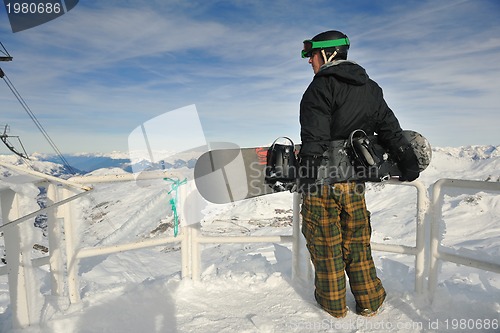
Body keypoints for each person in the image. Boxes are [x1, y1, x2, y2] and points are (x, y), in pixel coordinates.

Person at [298, 30, 420, 318]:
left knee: (325, 242)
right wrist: (408, 163)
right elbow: (390, 129)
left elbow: (314, 140)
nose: (309, 62)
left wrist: (306, 178)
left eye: (311, 55)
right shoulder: (371, 88)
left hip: (323, 184)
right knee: (357, 241)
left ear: (327, 54)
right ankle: (369, 301)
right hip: (354, 181)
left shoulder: (320, 88)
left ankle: (334, 305)